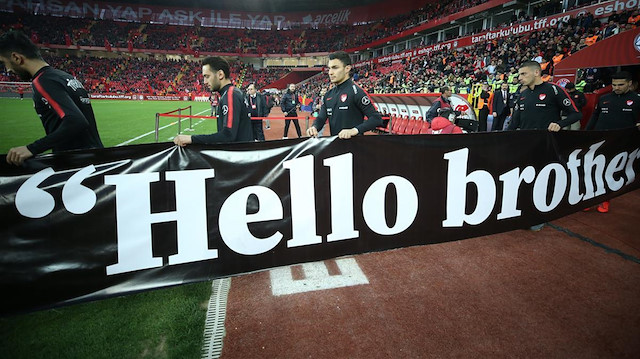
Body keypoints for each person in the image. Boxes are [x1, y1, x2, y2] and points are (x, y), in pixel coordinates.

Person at [0, 30, 103, 166]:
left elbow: (76, 121)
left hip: (75, 164)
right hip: (96, 158)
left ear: (16, 58)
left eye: (4, 63)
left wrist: (32, 148)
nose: (7, 70)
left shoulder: (43, 81)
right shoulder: (64, 76)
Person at [507, 61, 582, 231]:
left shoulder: (553, 90)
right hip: (525, 146)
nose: (520, 78)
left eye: (523, 74)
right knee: (525, 180)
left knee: (542, 181)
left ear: (536, 73)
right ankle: (524, 212)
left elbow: (576, 114)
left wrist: (559, 124)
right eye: (519, 75)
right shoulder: (523, 95)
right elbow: (514, 124)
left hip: (546, 145)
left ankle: (540, 215)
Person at [585, 71, 640, 213]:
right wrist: (585, 134)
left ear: (629, 83)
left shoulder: (637, 100)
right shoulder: (603, 98)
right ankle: (588, 199)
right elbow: (594, 118)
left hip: (622, 143)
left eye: (620, 84)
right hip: (599, 141)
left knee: (611, 173)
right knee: (592, 171)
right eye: (614, 85)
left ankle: (605, 199)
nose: (616, 87)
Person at [174, 56, 252, 146]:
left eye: (207, 76)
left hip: (237, 157)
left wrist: (191, 139)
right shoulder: (231, 93)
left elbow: (228, 135)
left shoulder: (231, 94)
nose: (205, 82)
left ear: (220, 74)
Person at [306, 51, 382, 139]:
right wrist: (314, 127)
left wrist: (354, 130)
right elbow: (321, 118)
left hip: (354, 149)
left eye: (335, 68)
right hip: (335, 147)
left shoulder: (357, 92)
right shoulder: (328, 95)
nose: (330, 72)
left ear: (347, 68)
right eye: (329, 68)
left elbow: (376, 119)